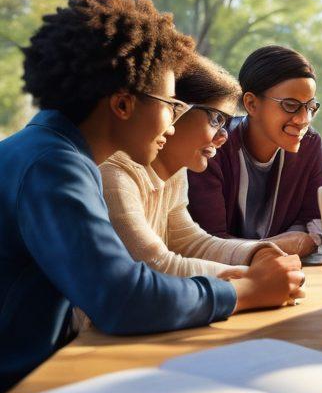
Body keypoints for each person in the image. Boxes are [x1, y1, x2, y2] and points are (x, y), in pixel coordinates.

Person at [0, 0, 304, 393]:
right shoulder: (53, 166)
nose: (173, 120)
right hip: (17, 392)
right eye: (170, 103)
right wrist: (246, 290)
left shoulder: (51, 151)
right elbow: (122, 298)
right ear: (124, 104)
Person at [101, 54, 281, 279]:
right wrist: (254, 277)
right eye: (216, 119)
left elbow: (190, 242)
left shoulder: (175, 174)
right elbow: (155, 265)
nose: (223, 136)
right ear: (174, 109)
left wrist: (258, 253)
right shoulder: (114, 174)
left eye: (227, 124)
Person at [189, 45, 322, 256]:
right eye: (290, 105)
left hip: (286, 268)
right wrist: (282, 245)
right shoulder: (213, 145)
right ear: (251, 104)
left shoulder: (309, 143)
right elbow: (210, 242)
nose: (304, 120)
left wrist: (300, 241)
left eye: (310, 107)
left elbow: (313, 225)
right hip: (226, 276)